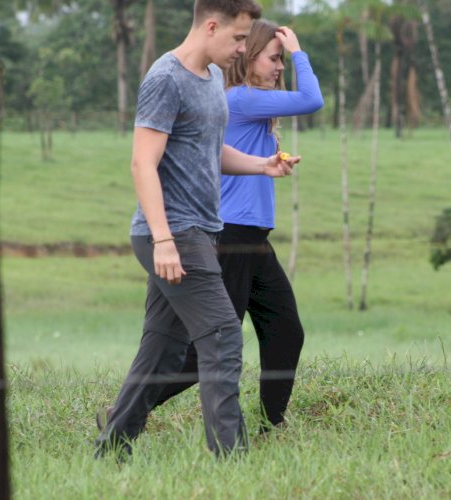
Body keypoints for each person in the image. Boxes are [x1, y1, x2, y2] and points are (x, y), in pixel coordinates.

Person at [94, 0, 301, 459]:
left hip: (199, 232)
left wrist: (261, 166)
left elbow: (211, 151)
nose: (243, 48)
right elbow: (142, 162)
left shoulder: (209, 80)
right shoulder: (166, 79)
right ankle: (232, 461)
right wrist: (164, 239)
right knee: (224, 337)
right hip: (172, 234)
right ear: (211, 26)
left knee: (163, 352)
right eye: (239, 38)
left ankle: (110, 449)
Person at [144, 20, 323, 433]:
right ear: (251, 57)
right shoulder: (242, 98)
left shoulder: (249, 103)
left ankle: (271, 426)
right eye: (274, 58)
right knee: (209, 347)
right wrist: (299, 51)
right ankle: (126, 411)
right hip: (232, 236)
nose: (279, 67)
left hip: (254, 239)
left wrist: (269, 164)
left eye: (282, 60)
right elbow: (313, 100)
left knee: (284, 332)